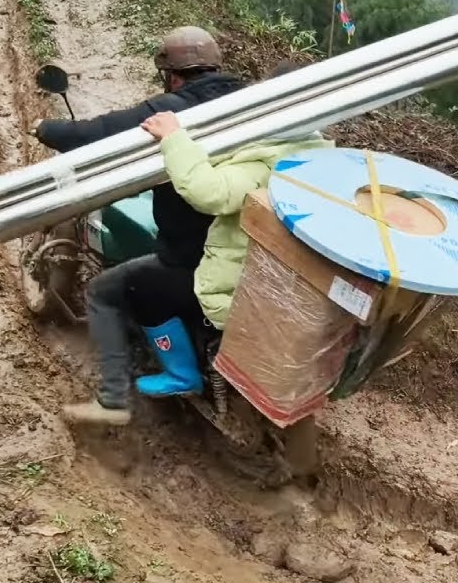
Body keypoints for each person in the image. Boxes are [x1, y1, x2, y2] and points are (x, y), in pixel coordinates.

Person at [62, 59, 333, 425]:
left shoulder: (269, 159)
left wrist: (174, 138)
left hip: (232, 278)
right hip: (276, 280)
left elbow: (211, 193)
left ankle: (125, 395)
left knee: (117, 289)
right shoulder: (320, 154)